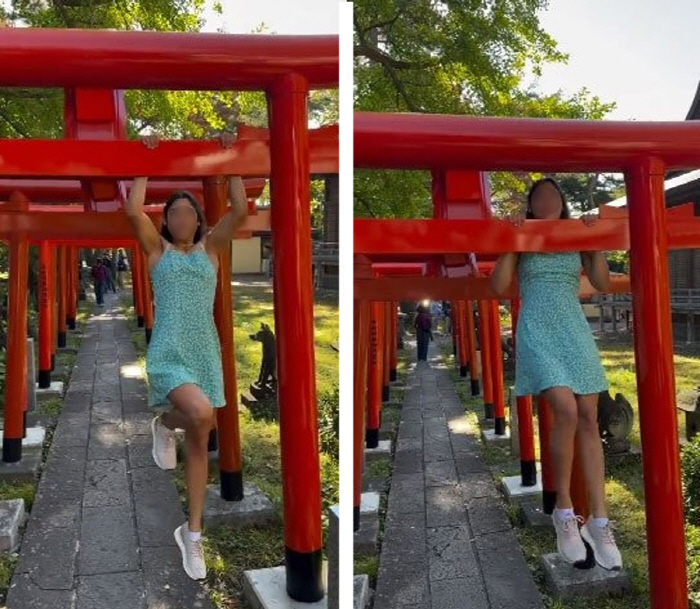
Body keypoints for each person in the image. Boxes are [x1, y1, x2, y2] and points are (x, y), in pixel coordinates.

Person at [125, 133, 247, 581]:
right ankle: (165, 422)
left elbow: (239, 211)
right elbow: (133, 209)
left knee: (201, 434)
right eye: (173, 212)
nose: (180, 217)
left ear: (197, 220)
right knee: (198, 413)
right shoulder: (156, 253)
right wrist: (146, 158)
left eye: (188, 212)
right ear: (166, 219)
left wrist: (233, 159)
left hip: (203, 352)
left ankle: (192, 534)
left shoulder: (210, 250)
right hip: (169, 351)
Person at [490, 177, 622, 571]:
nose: (548, 200)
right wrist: (512, 243)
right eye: (539, 196)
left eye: (554, 195)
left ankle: (599, 521)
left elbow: (601, 284)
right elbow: (498, 286)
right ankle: (563, 511)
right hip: (537, 327)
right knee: (564, 410)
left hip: (573, 327)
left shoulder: (574, 232)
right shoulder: (523, 234)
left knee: (588, 416)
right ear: (531, 205)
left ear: (562, 202)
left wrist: (593, 242)